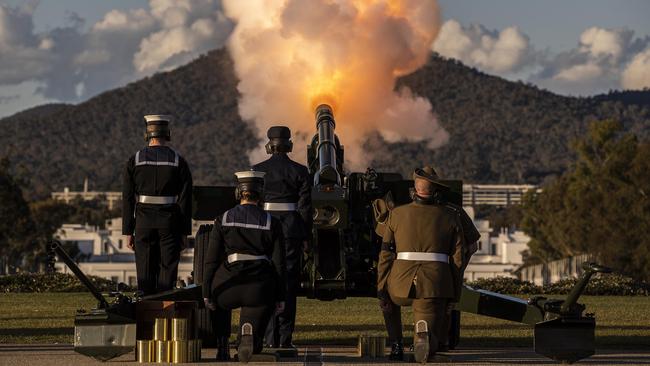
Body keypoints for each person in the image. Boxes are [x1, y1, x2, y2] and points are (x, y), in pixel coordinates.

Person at [375, 183, 480, 359]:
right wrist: (453, 294)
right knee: (429, 328)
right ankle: (423, 341)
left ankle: (396, 345)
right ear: (436, 192)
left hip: (399, 285)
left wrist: (381, 291)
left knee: (389, 303)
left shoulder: (397, 214)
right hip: (434, 285)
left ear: (415, 190)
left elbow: (385, 255)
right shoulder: (451, 215)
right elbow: (459, 258)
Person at [203, 171, 287, 363]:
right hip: (258, 288)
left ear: (238, 193)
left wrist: (207, 292)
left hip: (228, 285)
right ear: (261, 194)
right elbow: (279, 264)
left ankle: (222, 344)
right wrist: (280, 296)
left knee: (218, 306)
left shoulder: (222, 219)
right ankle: (248, 336)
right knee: (256, 313)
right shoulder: (271, 222)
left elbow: (211, 260)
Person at [252, 126, 311, 349]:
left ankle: (269, 338)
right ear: (288, 145)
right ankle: (285, 340)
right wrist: (305, 235)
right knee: (287, 285)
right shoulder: (300, 171)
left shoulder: (257, 170)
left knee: (266, 281)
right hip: (291, 232)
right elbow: (305, 207)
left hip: (265, 231)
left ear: (270, 145)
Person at [122, 114, 192, 295]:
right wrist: (185, 232)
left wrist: (128, 231)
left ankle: (145, 310)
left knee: (144, 268)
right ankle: (164, 311)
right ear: (167, 133)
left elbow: (128, 198)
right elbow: (185, 199)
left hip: (143, 221)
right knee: (167, 268)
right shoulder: (178, 160)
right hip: (169, 221)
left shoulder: (135, 160)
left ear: (147, 134)